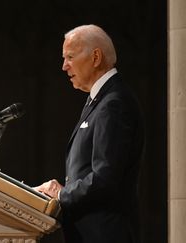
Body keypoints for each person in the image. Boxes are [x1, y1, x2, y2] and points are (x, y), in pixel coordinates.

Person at [33, 25, 144, 243]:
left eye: (70, 57)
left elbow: (104, 178)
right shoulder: (101, 100)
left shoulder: (114, 104)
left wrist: (61, 195)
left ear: (95, 57)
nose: (64, 66)